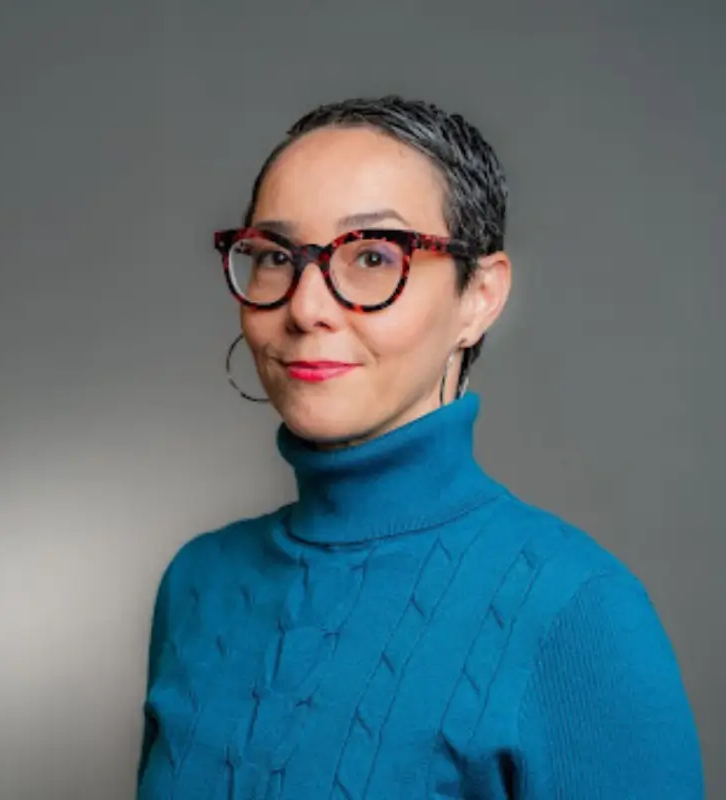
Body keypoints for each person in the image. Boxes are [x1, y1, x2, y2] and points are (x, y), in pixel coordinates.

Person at [136, 96, 703, 798]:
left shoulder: (579, 613)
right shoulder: (200, 583)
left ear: (480, 297)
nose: (307, 306)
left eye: (373, 255)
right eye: (277, 256)